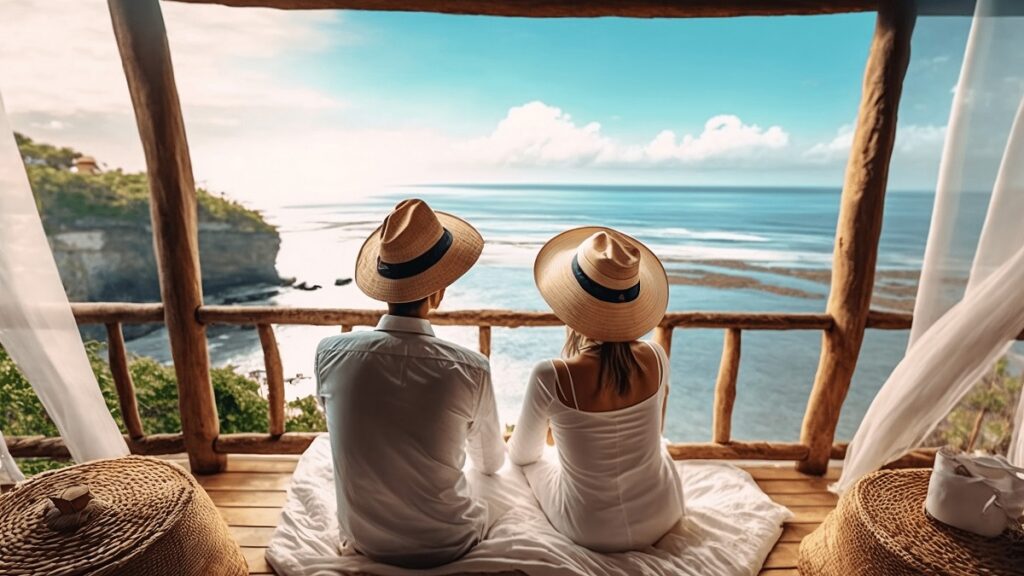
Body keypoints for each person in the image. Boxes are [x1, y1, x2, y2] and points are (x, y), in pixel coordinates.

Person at [315, 198, 506, 568]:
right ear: (439, 292)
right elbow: (490, 462)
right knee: (497, 483)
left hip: (364, 538)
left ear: (383, 286)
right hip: (448, 542)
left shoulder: (331, 352)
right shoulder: (470, 369)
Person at [508, 226, 684, 552]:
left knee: (527, 464)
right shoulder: (656, 357)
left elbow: (523, 455)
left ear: (573, 305)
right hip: (662, 513)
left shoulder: (552, 375)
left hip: (592, 529)